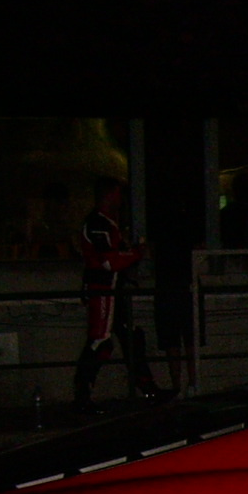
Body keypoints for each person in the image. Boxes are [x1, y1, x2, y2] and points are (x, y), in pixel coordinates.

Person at [73, 177, 157, 414]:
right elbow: (109, 261)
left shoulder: (109, 223)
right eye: (120, 194)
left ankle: (149, 389)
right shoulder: (98, 224)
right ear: (109, 195)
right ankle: (82, 397)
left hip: (114, 290)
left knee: (131, 338)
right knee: (101, 341)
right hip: (103, 291)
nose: (122, 200)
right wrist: (136, 253)